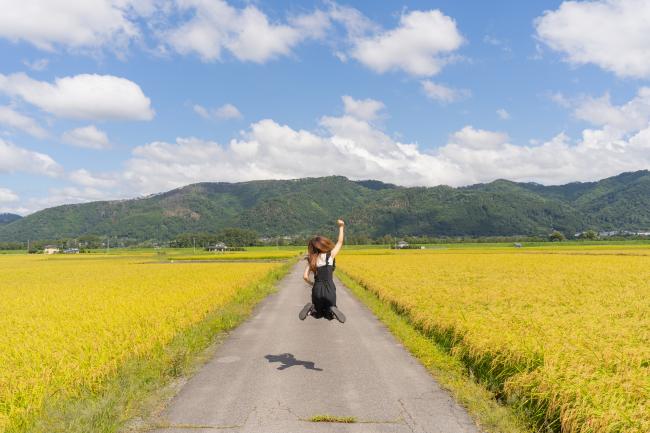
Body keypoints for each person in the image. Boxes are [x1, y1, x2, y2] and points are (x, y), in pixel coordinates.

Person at [299, 219, 346, 323]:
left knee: (318, 313)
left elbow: (305, 277)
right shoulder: (330, 256)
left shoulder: (312, 260)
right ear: (324, 244)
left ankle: (311, 309)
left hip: (317, 288)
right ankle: (332, 310)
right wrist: (341, 227)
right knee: (329, 313)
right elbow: (340, 242)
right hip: (329, 287)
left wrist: (312, 284)